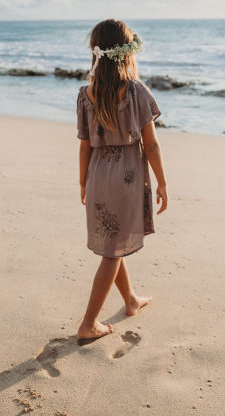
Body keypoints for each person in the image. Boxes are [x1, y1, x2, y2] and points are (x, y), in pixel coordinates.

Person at [75, 18, 168, 341]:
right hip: (126, 177)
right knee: (112, 251)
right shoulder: (136, 91)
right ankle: (89, 323)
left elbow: (84, 147)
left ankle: (130, 300)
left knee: (113, 243)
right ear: (128, 53)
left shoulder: (85, 94)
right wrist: (163, 182)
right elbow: (152, 144)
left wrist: (83, 182)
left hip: (98, 175)